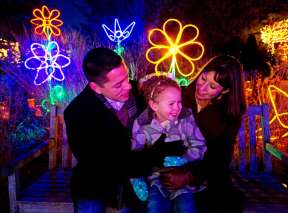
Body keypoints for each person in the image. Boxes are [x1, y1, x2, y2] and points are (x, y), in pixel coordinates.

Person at [64, 47, 186, 213]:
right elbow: (100, 163)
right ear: (96, 87)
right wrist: (156, 155)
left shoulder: (141, 92)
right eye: (118, 85)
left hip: (142, 177)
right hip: (97, 182)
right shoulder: (77, 112)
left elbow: (172, 115)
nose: (128, 86)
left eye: (127, 77)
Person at [160, 55, 247, 213]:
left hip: (205, 173)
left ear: (226, 90)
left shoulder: (229, 115)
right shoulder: (177, 96)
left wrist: (189, 176)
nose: (202, 88)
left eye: (213, 86)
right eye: (203, 78)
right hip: (169, 168)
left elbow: (220, 158)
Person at [131, 76, 207, 213]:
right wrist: (137, 177)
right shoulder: (142, 124)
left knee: (186, 207)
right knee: (154, 206)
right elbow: (135, 153)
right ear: (154, 105)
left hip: (182, 176)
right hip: (156, 178)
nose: (177, 108)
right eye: (171, 104)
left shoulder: (186, 119)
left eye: (179, 102)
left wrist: (185, 159)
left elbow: (200, 144)